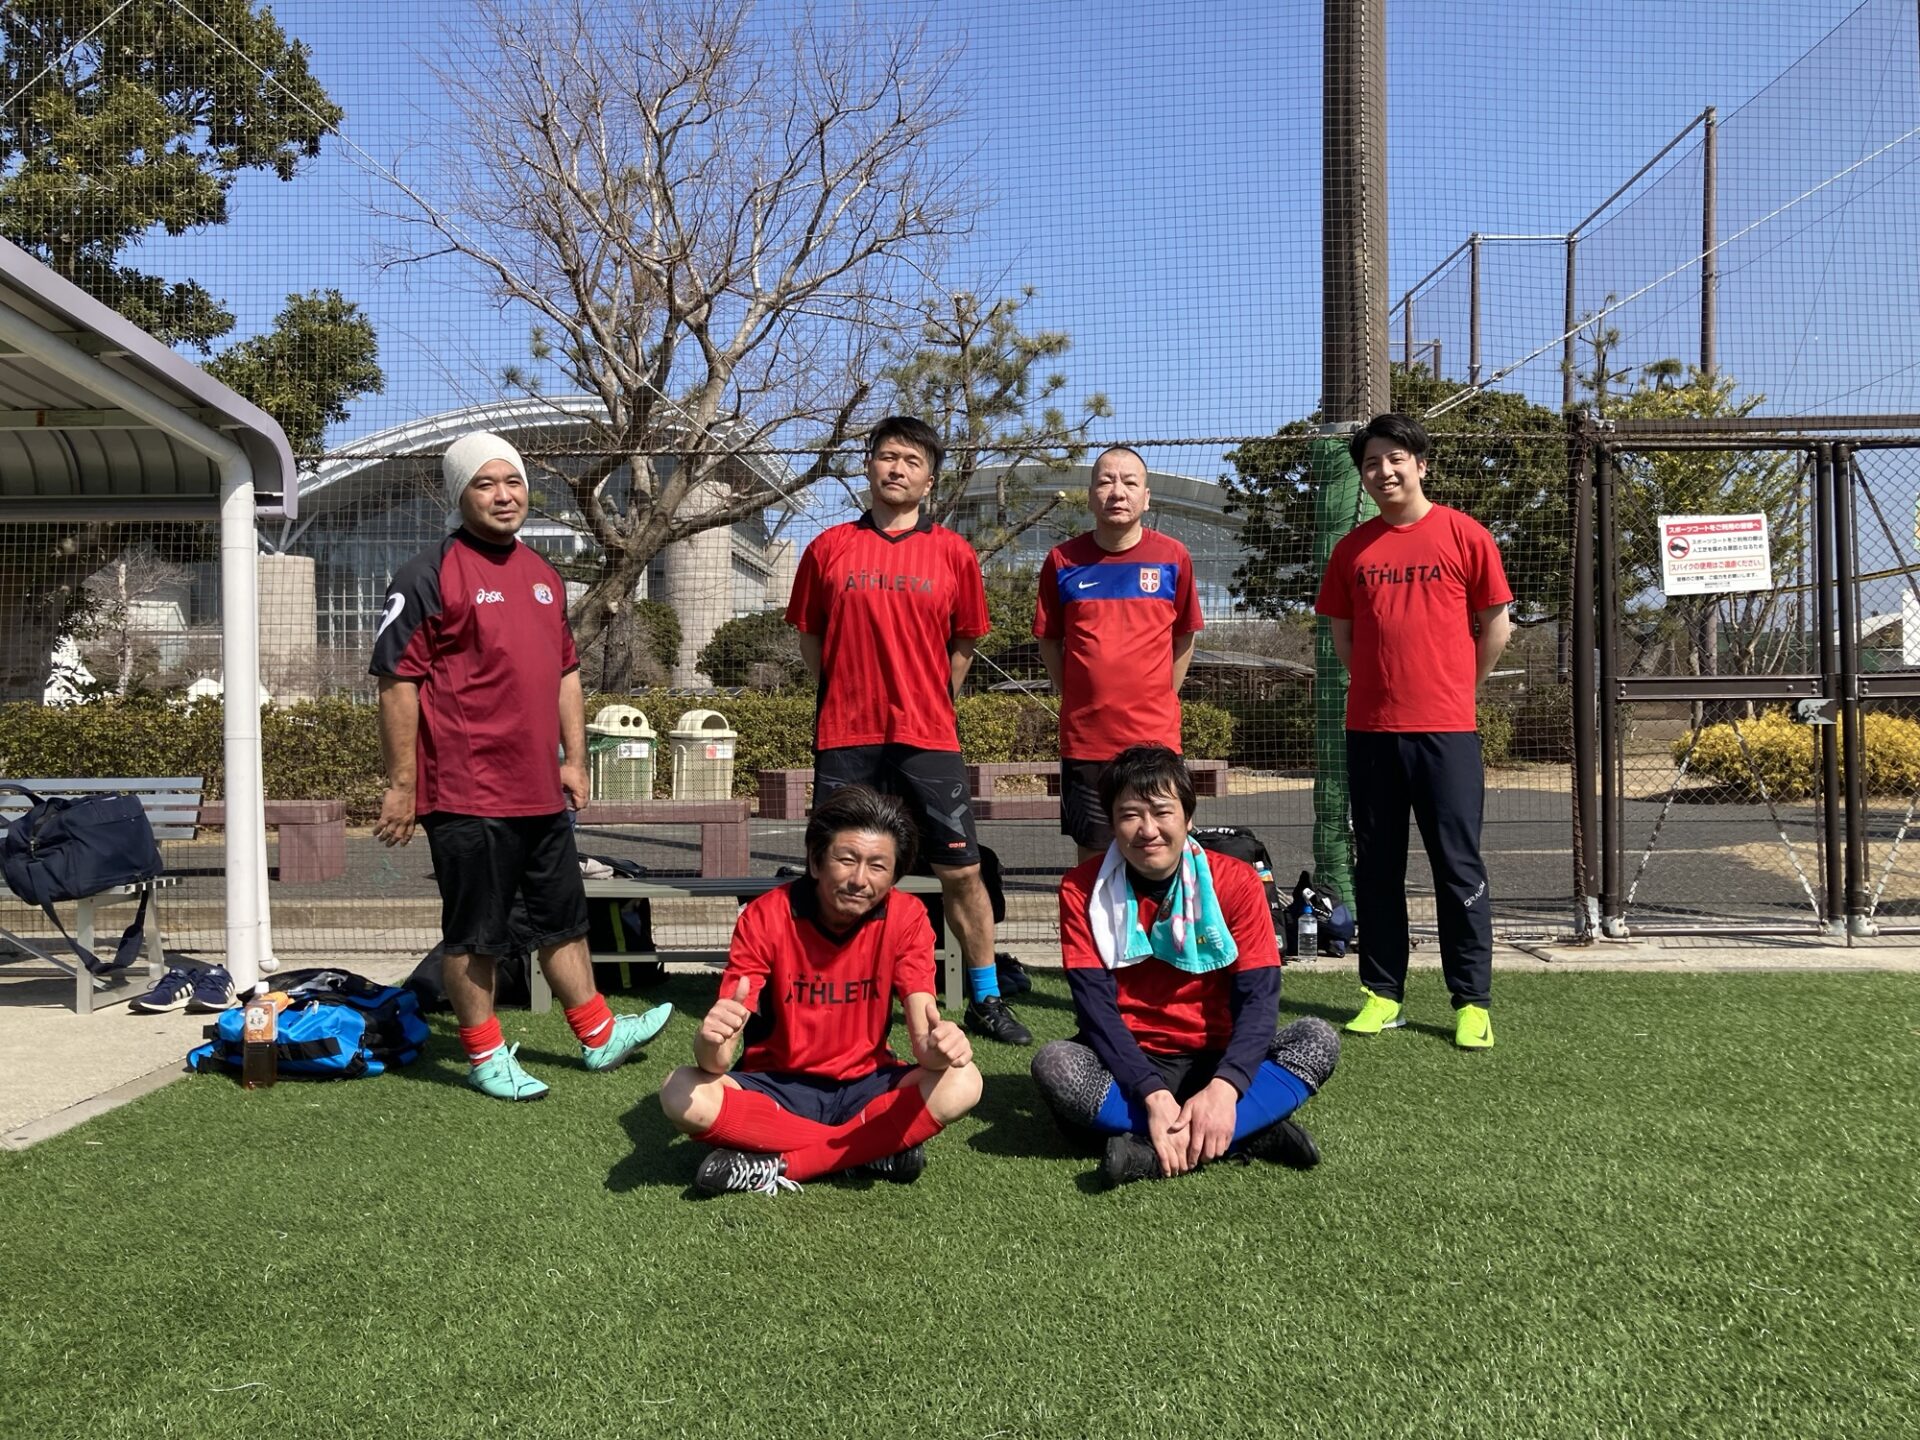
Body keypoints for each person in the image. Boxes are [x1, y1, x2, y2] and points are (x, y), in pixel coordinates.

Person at [370, 430, 672, 1101]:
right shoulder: (426, 575)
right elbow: (397, 683)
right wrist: (402, 784)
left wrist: (574, 760)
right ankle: (484, 1056)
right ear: (460, 494)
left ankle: (598, 1034)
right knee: (476, 935)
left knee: (563, 919)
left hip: (538, 791)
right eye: (486, 483)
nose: (504, 495)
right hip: (467, 792)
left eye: (513, 482)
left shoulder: (543, 574)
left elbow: (565, 672)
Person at [785, 415, 1032, 1046]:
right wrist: (847, 690)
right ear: (869, 466)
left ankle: (984, 996)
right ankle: (826, 996)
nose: (897, 468)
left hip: (929, 737)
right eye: (887, 456)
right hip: (847, 736)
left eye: (912, 461)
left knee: (962, 869)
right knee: (836, 870)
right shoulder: (828, 548)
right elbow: (812, 638)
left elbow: (964, 643)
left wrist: (930, 700)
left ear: (929, 480)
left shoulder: (953, 553)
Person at [1031, 745, 1340, 1187]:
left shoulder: (1237, 880)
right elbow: (1094, 1009)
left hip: (1216, 1058)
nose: (1148, 830)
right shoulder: (1082, 888)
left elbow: (1259, 999)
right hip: (1129, 1063)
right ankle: (1246, 1132)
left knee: (1317, 1039)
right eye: (1130, 815)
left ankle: (1149, 1153)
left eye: (1162, 812)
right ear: (1112, 823)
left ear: (1188, 817)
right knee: (1055, 1064)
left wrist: (1225, 1088)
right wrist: (1151, 1093)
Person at [659, 785, 982, 1195]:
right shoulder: (765, 916)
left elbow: (924, 1042)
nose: (859, 880)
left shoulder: (907, 916)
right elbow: (717, 1061)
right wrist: (709, 1040)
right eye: (846, 860)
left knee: (964, 1081)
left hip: (867, 1084)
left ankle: (782, 1164)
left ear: (894, 875)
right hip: (775, 1085)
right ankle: (871, 1149)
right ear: (815, 861)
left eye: (878, 866)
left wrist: (940, 1047)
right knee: (680, 1092)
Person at [1313, 413, 1512, 1050]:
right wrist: (1381, 687)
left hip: (1447, 732)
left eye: (1395, 458)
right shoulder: (1352, 550)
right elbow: (1344, 636)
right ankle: (1383, 994)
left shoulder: (1465, 534)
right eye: (1371, 463)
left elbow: (1496, 624)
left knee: (1458, 866)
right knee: (1376, 868)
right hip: (1371, 732)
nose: (1384, 472)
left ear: (1421, 464)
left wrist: (1457, 688)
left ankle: (1472, 1001)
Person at [1034, 446, 1205, 862]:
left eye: (1130, 482)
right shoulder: (1061, 561)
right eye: (1106, 481)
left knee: (1159, 855)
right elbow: (1049, 641)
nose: (1117, 492)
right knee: (1094, 860)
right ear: (1090, 496)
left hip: (1156, 741)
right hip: (1086, 742)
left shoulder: (1173, 557)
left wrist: (1163, 694)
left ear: (1146, 498)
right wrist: (1077, 693)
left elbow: (1184, 635)